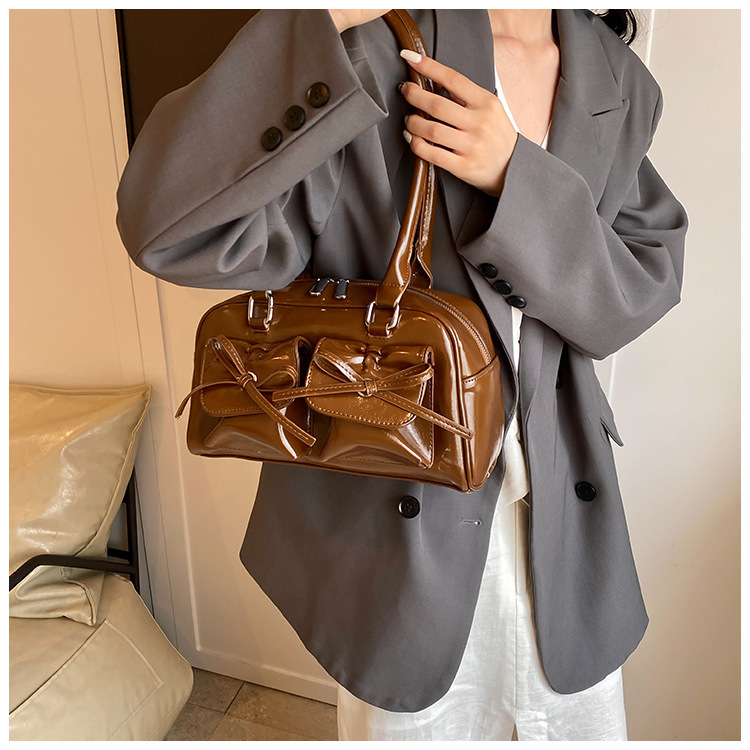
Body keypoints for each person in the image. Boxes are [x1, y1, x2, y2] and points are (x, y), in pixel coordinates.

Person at [115, 9, 688, 741]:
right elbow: (166, 228)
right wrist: (323, 18)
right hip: (390, 510)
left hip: (561, 513)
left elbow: (630, 297)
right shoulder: (375, 46)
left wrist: (516, 178)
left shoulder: (616, 77)